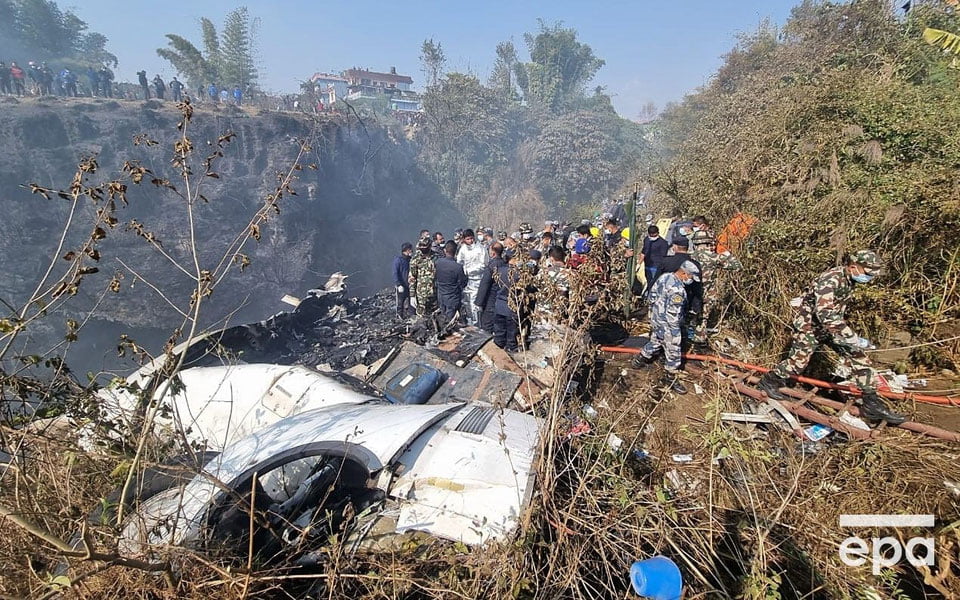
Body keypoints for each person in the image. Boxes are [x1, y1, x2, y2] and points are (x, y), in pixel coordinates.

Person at [758, 250, 906, 424]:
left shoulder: (849, 280)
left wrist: (851, 340)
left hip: (831, 329)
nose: (869, 278)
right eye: (867, 273)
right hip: (810, 327)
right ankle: (769, 381)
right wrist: (851, 336)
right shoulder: (831, 280)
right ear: (853, 267)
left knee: (858, 356)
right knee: (797, 363)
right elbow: (825, 313)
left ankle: (871, 403)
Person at [632, 261, 701, 394]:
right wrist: (676, 334)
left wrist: (653, 315)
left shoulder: (665, 277)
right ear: (684, 273)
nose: (690, 280)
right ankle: (670, 378)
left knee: (656, 341)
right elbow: (673, 316)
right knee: (674, 352)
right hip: (668, 325)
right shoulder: (678, 291)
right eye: (690, 277)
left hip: (656, 319)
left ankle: (640, 359)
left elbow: (651, 296)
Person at [689, 229, 742, 345]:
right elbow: (737, 266)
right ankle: (700, 338)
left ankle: (686, 337)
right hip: (707, 293)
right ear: (708, 243)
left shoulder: (689, 257)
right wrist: (728, 254)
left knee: (689, 315)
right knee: (703, 317)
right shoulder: (714, 257)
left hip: (691, 293)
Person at [456, 228, 487, 326]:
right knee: (467, 303)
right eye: (467, 239)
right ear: (464, 240)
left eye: (471, 238)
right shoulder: (463, 249)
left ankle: (478, 325)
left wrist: (469, 271)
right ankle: (470, 324)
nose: (470, 241)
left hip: (478, 280)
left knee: (476, 305)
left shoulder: (481, 248)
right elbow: (459, 262)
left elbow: (484, 264)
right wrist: (463, 272)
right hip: (467, 281)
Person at [492, 249, 521, 352]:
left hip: (499, 305)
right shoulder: (518, 273)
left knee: (499, 333)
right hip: (511, 306)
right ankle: (510, 351)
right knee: (511, 335)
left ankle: (497, 352)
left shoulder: (499, 270)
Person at [475, 242, 506, 333]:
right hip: (502, 298)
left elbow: (485, 285)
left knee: (487, 325)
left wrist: (479, 302)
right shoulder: (504, 264)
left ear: (492, 252)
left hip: (491, 299)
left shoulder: (491, 266)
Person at [436, 241, 468, 321]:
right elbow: (463, 283)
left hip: (441, 295)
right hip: (453, 297)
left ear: (445, 250)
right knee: (451, 321)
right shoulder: (457, 267)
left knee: (442, 318)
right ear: (456, 252)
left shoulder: (438, 262)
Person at [408, 238, 438, 316]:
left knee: (436, 316)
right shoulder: (416, 259)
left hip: (435, 293)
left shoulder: (436, 257)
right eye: (422, 247)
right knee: (422, 318)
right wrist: (412, 295)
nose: (423, 249)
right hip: (421, 295)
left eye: (425, 246)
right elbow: (412, 278)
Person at [639, 224, 670, 294]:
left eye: (654, 235)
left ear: (657, 233)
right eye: (651, 235)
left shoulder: (663, 243)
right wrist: (639, 263)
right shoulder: (647, 240)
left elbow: (663, 256)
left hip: (656, 267)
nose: (652, 237)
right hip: (647, 265)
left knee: (654, 284)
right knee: (649, 282)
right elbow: (644, 252)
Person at [393, 242, 413, 318]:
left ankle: (411, 316)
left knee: (411, 302)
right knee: (400, 303)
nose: (412, 251)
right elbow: (395, 273)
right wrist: (398, 284)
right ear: (407, 250)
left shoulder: (410, 260)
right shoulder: (398, 260)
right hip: (402, 286)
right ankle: (399, 317)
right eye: (410, 249)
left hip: (410, 285)